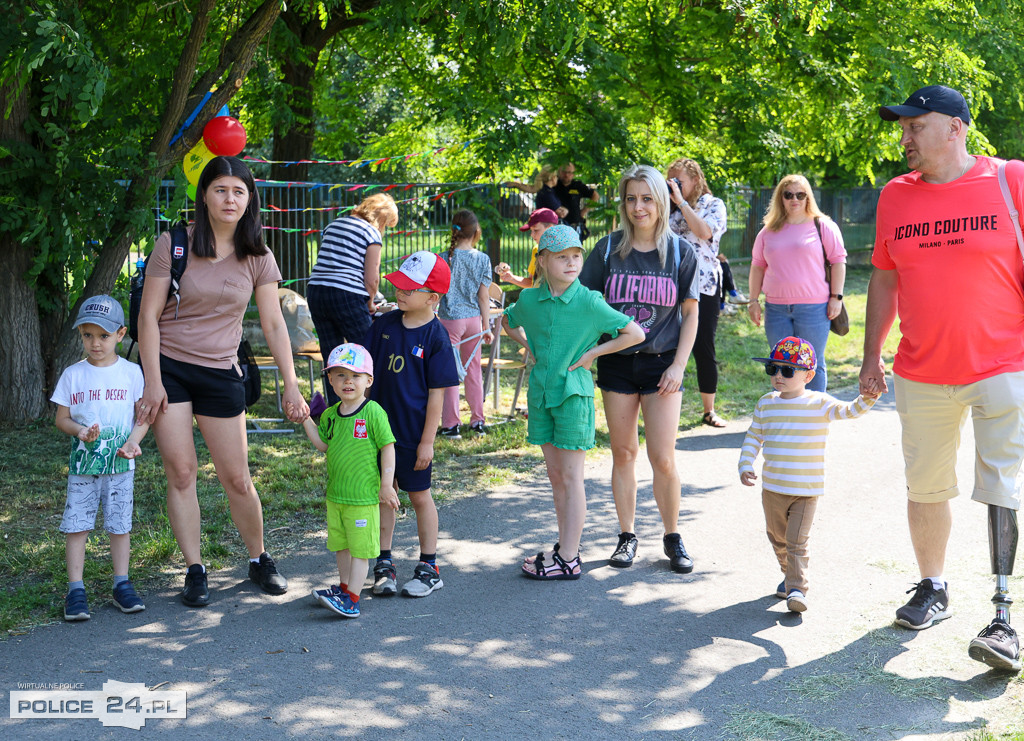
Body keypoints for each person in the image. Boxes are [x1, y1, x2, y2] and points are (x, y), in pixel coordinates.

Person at [861, 84, 1024, 672]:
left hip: (1002, 364)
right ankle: (933, 587)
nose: (904, 138)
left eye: (915, 126)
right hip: (923, 370)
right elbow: (883, 276)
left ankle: (1003, 617)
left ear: (955, 128)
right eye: (901, 128)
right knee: (925, 485)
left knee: (999, 482)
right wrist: (870, 354)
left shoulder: (1011, 181)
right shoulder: (894, 198)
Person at [137, 155, 309, 607]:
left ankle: (259, 559)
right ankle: (195, 569)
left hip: (221, 371)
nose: (229, 198)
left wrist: (290, 383)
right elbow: (148, 318)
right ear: (205, 195)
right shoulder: (174, 243)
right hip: (170, 369)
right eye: (220, 189)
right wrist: (153, 383)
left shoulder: (259, 255)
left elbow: (274, 325)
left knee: (237, 478)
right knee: (182, 472)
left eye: (238, 190)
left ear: (249, 198)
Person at [504, 224, 644, 580]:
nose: (571, 263)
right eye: (562, 257)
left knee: (571, 476)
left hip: (573, 397)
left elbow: (635, 332)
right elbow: (509, 322)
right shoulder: (530, 300)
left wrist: (593, 352)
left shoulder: (589, 301)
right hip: (541, 395)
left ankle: (568, 557)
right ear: (543, 261)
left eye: (576, 256)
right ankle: (564, 547)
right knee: (555, 477)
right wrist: (531, 348)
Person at [579, 164, 700, 573]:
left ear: (661, 201)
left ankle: (672, 536)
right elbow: (586, 304)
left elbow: (691, 313)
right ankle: (626, 536)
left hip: (662, 364)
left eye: (647, 198)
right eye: (631, 198)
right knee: (624, 452)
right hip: (616, 364)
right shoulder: (607, 249)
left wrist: (680, 365)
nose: (638, 207)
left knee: (662, 457)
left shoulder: (681, 252)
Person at [739, 336, 877, 613]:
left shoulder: (819, 402)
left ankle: (798, 588)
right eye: (773, 369)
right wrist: (745, 463)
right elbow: (754, 436)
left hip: (806, 490)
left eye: (787, 370)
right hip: (774, 488)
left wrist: (868, 398)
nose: (779, 376)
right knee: (777, 538)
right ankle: (789, 575)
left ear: (808, 375)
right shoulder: (766, 403)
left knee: (797, 541)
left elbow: (848, 411)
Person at [364, 251, 460, 598]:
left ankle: (429, 566)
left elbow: (438, 395)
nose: (400, 292)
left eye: (409, 288)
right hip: (377, 436)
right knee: (383, 496)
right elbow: (367, 377)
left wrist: (427, 442)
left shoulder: (436, 338)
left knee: (419, 496)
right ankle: (384, 563)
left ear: (433, 298)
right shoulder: (384, 325)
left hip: (413, 435)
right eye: (398, 285)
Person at [51, 296, 150, 621]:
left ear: (121, 334)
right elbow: (61, 419)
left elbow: (143, 417)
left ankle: (121, 584)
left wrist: (134, 442)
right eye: (88, 335)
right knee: (77, 526)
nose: (95, 343)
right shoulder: (72, 375)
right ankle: (75, 590)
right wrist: (80, 432)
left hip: (121, 466)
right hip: (83, 468)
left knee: (120, 525)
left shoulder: (132, 373)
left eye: (103, 336)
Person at [300, 343, 398, 619]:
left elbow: (388, 447)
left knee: (360, 550)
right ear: (330, 380)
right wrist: (306, 419)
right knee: (341, 546)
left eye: (355, 376)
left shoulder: (373, 412)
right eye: (340, 375)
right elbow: (323, 444)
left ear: (369, 381)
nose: (348, 382)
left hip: (363, 498)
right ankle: (344, 588)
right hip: (337, 497)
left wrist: (386, 485)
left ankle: (352, 599)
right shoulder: (331, 415)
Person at [747, 175, 847, 392]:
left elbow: (838, 261)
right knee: (780, 365)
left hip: (814, 308)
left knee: (812, 364)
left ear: (808, 197)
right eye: (788, 194)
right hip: (776, 309)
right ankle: (786, 417)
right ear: (780, 198)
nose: (795, 199)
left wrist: (836, 297)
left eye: (800, 195)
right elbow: (757, 266)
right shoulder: (767, 231)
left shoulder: (823, 226)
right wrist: (753, 300)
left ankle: (814, 418)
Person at [307, 193, 399, 405]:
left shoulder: (335, 224)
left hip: (317, 291)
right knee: (367, 353)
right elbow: (372, 278)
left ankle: (336, 411)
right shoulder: (371, 233)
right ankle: (370, 408)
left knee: (332, 355)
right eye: (388, 225)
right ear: (383, 219)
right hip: (347, 295)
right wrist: (370, 304)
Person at [666, 157, 729, 426]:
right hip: (669, 286)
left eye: (678, 181)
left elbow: (703, 231)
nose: (674, 186)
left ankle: (708, 410)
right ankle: (664, 411)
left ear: (695, 180)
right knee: (666, 347)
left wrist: (680, 202)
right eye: (671, 181)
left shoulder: (713, 205)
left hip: (703, 285)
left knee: (703, 347)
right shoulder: (666, 207)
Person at [439, 209, 494, 438]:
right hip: (473, 321)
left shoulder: (444, 258)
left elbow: (438, 292)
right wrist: (486, 325)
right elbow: (483, 297)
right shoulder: (483, 259)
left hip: (450, 321)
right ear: (476, 232)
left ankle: (451, 425)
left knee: (450, 372)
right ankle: (477, 422)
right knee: (473, 371)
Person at [495, 207, 559, 288]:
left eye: (536, 230)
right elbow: (532, 282)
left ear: (549, 228)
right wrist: (511, 278)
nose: (532, 235)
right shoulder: (536, 250)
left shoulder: (564, 251)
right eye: (531, 231)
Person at [554, 162, 600, 240]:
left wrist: (583, 211)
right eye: (564, 172)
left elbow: (595, 196)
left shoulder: (578, 185)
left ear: (573, 174)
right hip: (557, 225)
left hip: (574, 226)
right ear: (559, 172)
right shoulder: (554, 185)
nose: (566, 175)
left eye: (569, 172)